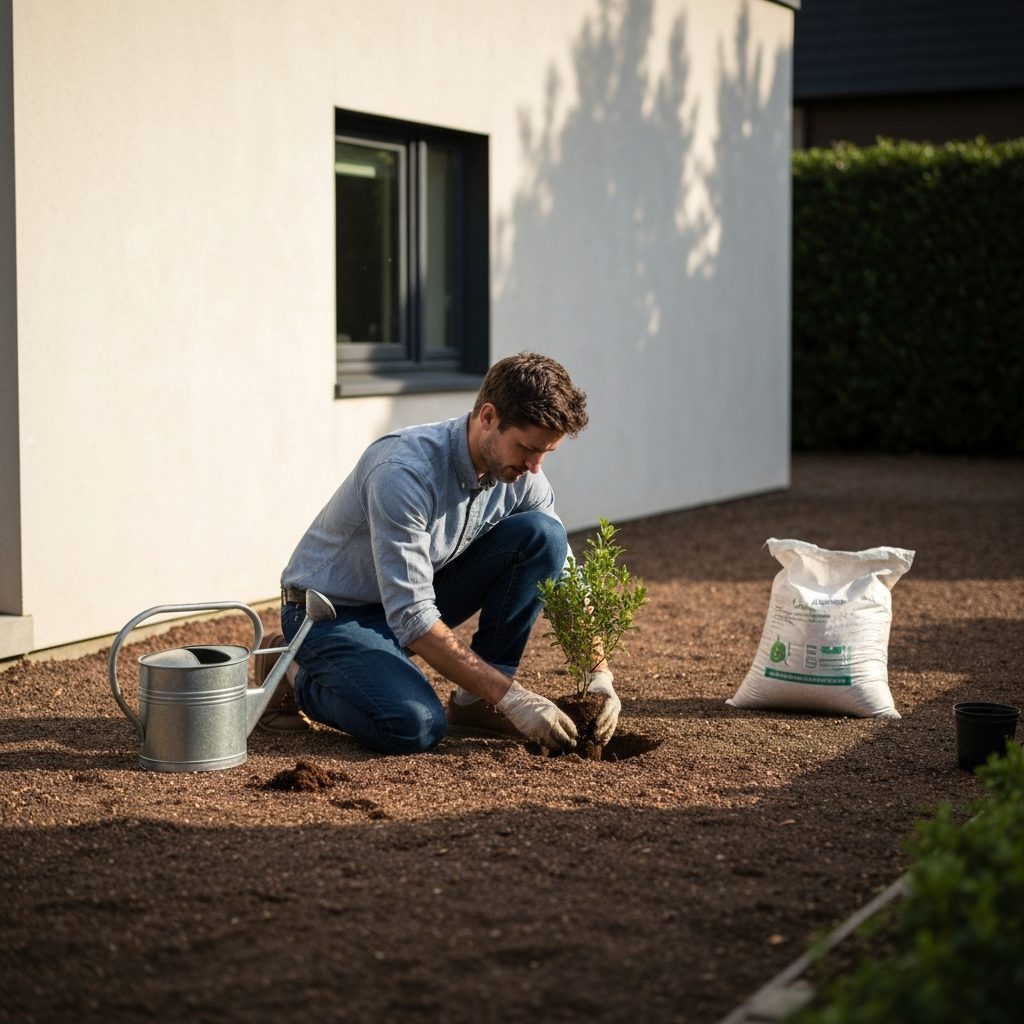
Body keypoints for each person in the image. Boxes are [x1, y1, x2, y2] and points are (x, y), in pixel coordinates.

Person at [257, 352, 621, 755]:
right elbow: (412, 617)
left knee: (543, 535)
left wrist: (598, 673)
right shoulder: (404, 472)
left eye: (545, 452)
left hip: (408, 599)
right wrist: (513, 697)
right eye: (526, 447)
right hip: (330, 614)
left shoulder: (520, 474)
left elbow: (564, 572)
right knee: (415, 726)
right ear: (488, 417)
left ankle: (475, 702)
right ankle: (289, 670)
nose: (535, 466)